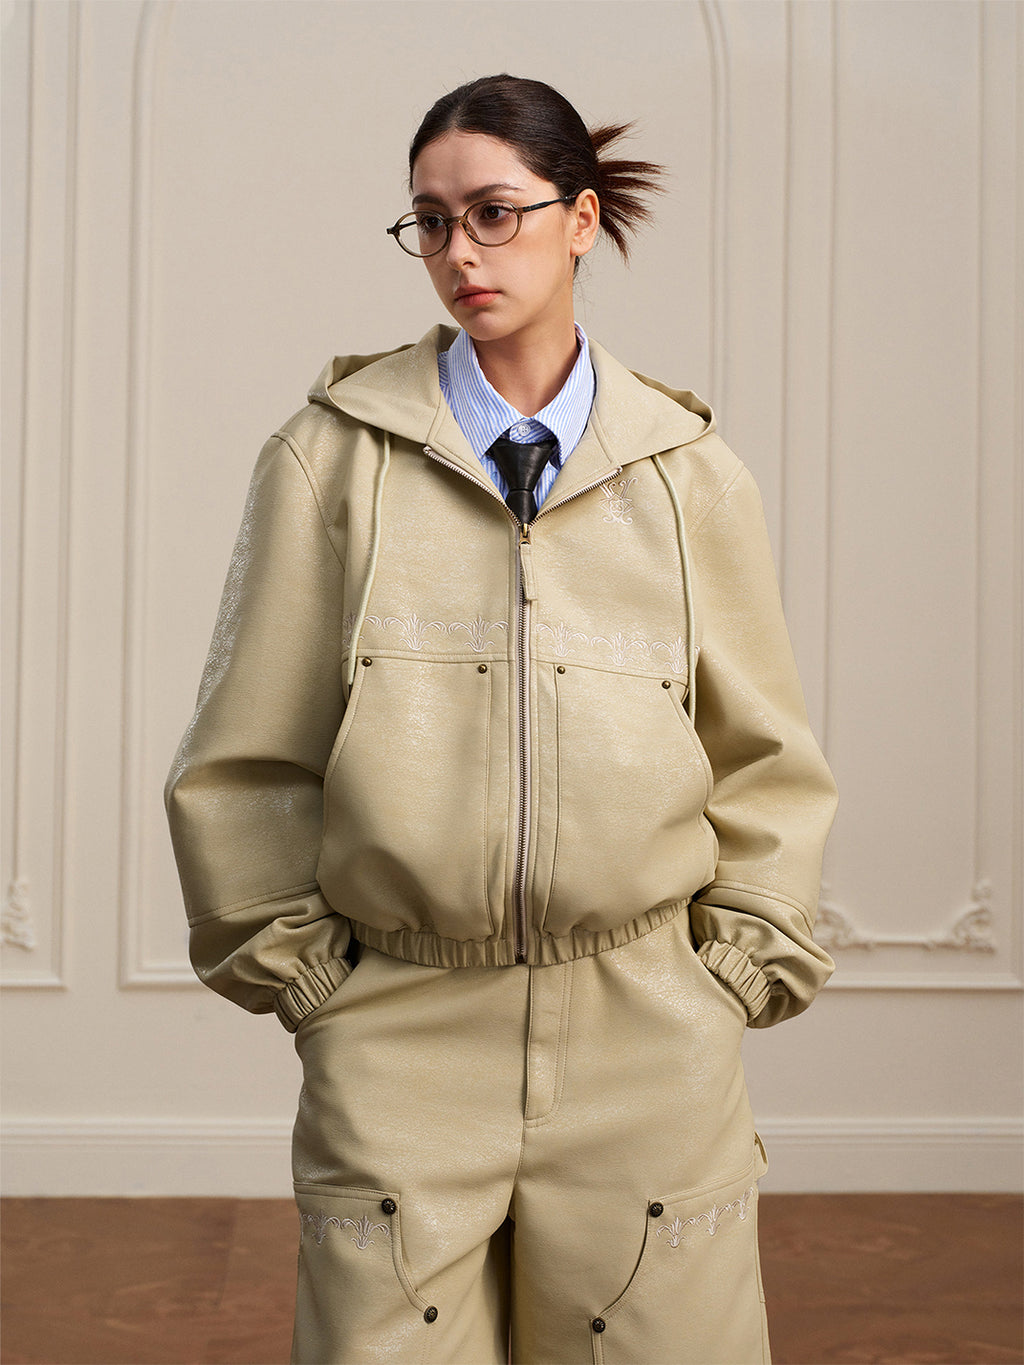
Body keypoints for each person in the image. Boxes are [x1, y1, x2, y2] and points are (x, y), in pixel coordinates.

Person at [166, 74, 837, 1365]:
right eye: (430, 221)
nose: (460, 251)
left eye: (494, 212)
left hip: (650, 1037)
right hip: (401, 1038)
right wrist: (311, 981)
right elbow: (245, 757)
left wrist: (734, 970)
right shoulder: (328, 460)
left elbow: (765, 755)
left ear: (580, 220)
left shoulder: (690, 475)